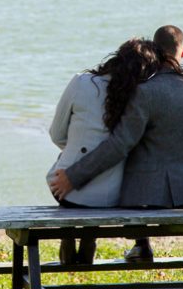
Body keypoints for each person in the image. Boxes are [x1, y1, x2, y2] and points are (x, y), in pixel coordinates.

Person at [50, 25, 183, 263]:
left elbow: (120, 144)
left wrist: (74, 176)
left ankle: (142, 245)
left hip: (150, 200)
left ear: (155, 54)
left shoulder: (144, 92)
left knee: (138, 156)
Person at [47, 38, 161, 264]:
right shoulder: (142, 97)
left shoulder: (82, 83)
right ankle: (90, 236)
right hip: (112, 196)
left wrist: (72, 149)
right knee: (110, 174)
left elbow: (56, 134)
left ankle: (68, 234)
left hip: (66, 190)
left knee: (64, 162)